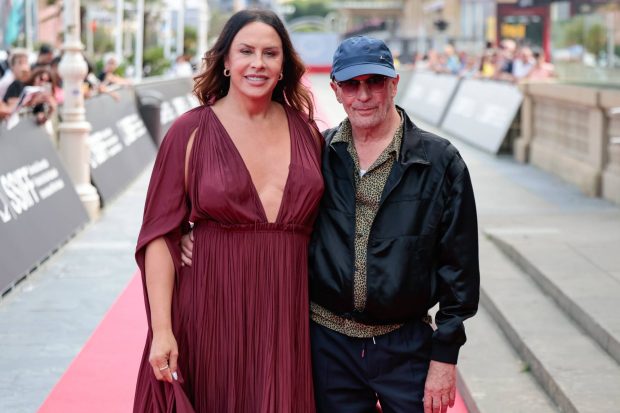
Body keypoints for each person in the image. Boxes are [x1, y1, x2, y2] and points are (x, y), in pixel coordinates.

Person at [182, 36, 480, 413]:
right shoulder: (316, 152)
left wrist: (445, 357)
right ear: (335, 90)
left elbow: (461, 269)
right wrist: (196, 234)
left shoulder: (440, 161)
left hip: (406, 344)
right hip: (328, 348)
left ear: (394, 84)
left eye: (374, 82)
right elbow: (263, 208)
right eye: (352, 85)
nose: (364, 95)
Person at [133, 9, 323, 413]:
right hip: (212, 306)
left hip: (287, 314)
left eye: (270, 53)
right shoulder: (190, 133)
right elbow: (158, 237)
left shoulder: (307, 132)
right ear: (225, 60)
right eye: (246, 51)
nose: (258, 63)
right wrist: (162, 331)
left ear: (284, 64)